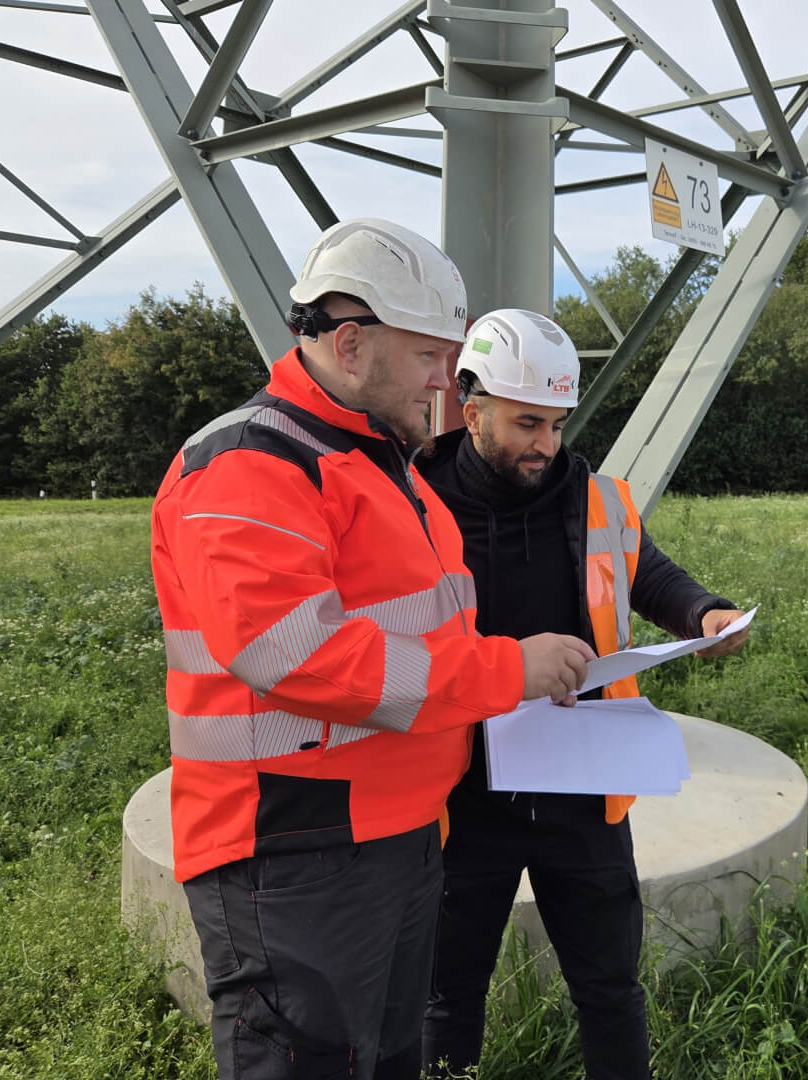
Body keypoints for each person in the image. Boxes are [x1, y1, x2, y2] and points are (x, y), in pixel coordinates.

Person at [149, 220, 595, 1079]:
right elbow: (293, 651)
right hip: (292, 854)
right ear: (351, 344)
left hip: (396, 838)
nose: (446, 381)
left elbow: (421, 639)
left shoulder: (381, 465)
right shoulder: (251, 463)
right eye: (432, 357)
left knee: (387, 1058)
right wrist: (508, 670)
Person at [417, 308, 750, 1079]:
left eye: (557, 424)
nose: (546, 445)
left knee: (608, 989)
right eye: (527, 423)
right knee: (446, 996)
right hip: (459, 796)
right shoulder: (415, 498)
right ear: (473, 412)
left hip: (581, 793)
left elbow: (649, 574)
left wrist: (705, 611)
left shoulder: (596, 497)